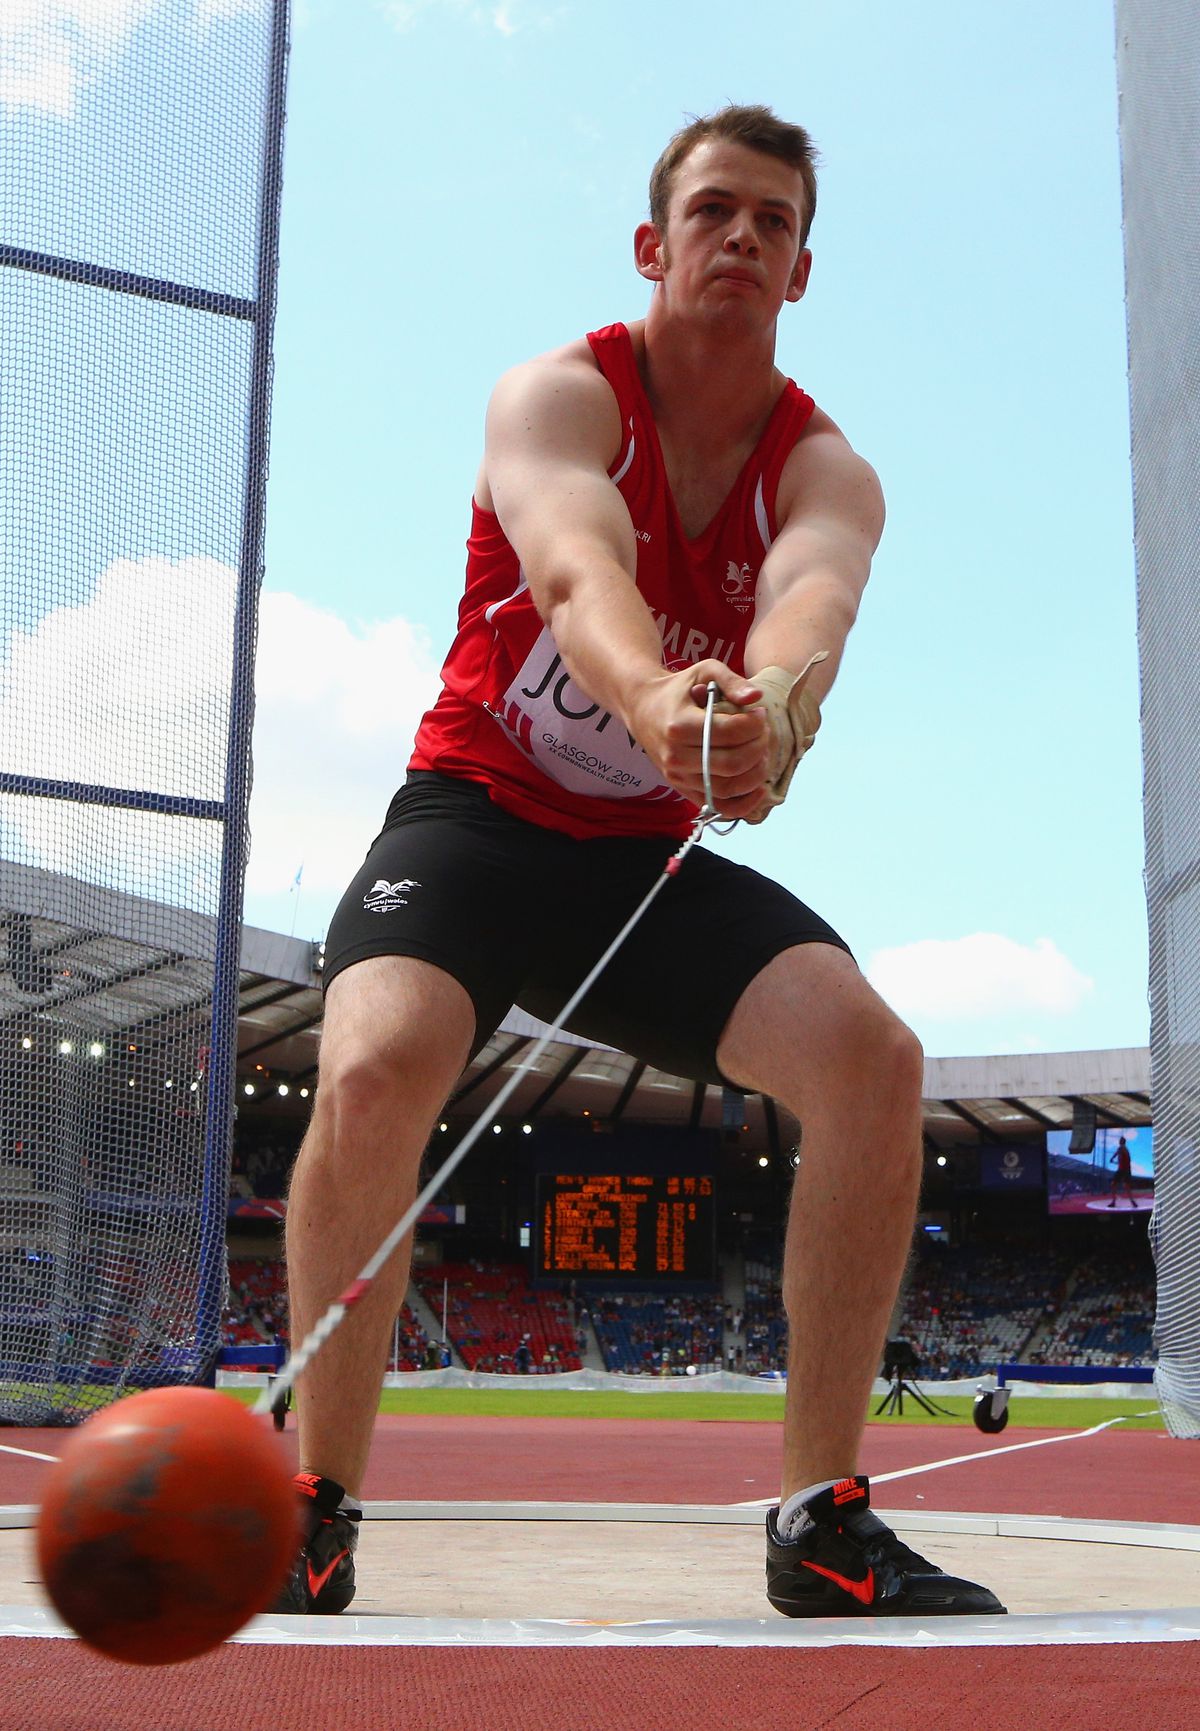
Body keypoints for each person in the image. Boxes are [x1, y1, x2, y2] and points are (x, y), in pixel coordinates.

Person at [273, 104, 1004, 1620]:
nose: (742, 237)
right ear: (652, 243)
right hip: (474, 820)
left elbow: (812, 600)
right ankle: (315, 1504)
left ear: (803, 269)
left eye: (775, 222)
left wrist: (775, 715)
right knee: (369, 1065)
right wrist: (660, 694)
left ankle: (820, 1516)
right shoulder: (559, 393)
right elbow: (573, 563)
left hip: (635, 875)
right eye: (716, 210)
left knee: (873, 1057)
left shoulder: (830, 468)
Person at [1108, 1136, 1135, 1207]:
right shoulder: (1126, 1149)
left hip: (1122, 1170)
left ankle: (1113, 1202)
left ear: (1121, 1141)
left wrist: (1112, 1158)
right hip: (1126, 1169)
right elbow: (1123, 1159)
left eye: (1120, 1140)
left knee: (1113, 1184)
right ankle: (1132, 1201)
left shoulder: (1121, 1148)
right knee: (1127, 1186)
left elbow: (1117, 1153)